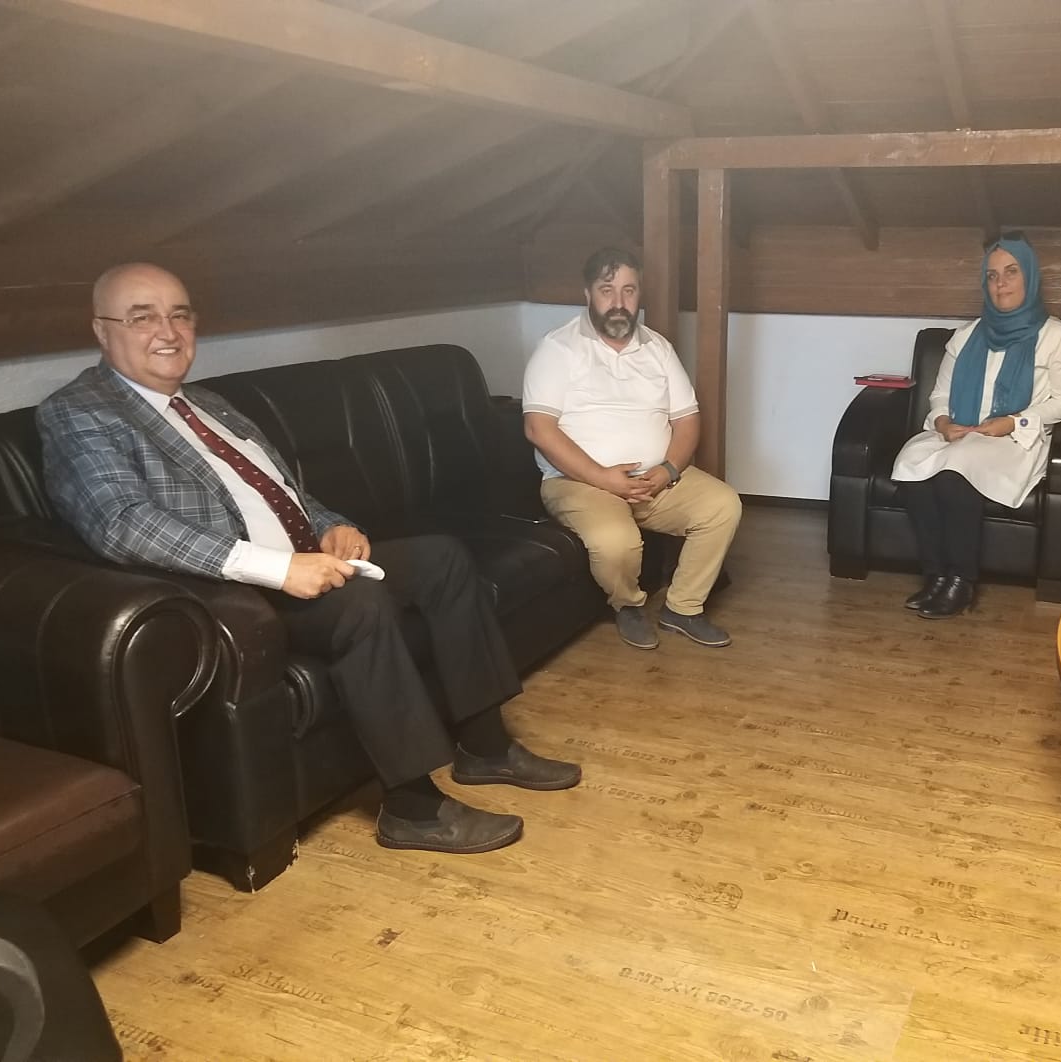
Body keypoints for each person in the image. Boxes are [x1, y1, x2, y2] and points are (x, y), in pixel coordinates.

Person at [36, 262, 580, 857]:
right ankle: (413, 810)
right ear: (102, 330)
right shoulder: (80, 413)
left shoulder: (208, 402)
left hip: (303, 560)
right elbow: (122, 523)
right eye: (143, 318)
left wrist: (333, 526)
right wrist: (278, 568)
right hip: (234, 592)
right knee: (362, 604)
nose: (167, 331)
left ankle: (485, 747)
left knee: (442, 559)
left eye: (180, 315)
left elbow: (282, 490)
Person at [522, 247, 742, 650]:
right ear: (588, 294)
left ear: (640, 294)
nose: (619, 302)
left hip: (654, 480)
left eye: (629, 290)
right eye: (607, 290)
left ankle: (683, 608)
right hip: (579, 482)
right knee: (615, 540)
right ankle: (627, 605)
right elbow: (539, 429)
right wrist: (604, 479)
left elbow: (687, 419)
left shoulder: (657, 348)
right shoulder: (557, 349)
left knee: (723, 506)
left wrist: (669, 469)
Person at [891, 234, 1061, 618]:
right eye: (993, 275)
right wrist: (944, 423)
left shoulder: (1056, 337)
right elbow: (940, 395)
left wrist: (1013, 422)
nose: (1001, 284)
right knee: (913, 469)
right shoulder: (966, 337)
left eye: (1011, 272)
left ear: (1030, 277)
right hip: (961, 433)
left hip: (1013, 439)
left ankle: (961, 582)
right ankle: (936, 576)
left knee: (953, 475)